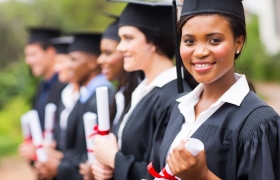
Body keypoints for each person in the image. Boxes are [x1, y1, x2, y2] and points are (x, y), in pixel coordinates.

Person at [149, 0, 280, 180]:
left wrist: (202, 176)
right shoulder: (178, 108)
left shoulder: (259, 123)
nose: (200, 51)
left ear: (238, 43)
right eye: (189, 41)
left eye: (214, 40)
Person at [92, 2, 193, 180]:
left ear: (153, 42)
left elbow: (166, 173)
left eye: (128, 38)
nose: (120, 47)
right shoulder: (144, 90)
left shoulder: (176, 99)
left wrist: (115, 160)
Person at [35, 33, 115, 180]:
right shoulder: (84, 95)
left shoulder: (103, 97)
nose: (68, 65)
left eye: (73, 59)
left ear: (92, 63)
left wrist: (61, 166)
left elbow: (93, 153)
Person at [19, 27, 67, 164]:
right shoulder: (41, 87)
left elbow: (63, 131)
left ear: (50, 52)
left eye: (33, 54)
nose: (28, 61)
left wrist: (39, 148)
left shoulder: (65, 87)